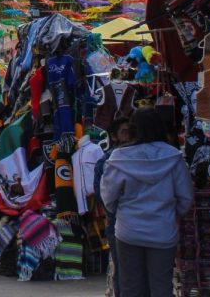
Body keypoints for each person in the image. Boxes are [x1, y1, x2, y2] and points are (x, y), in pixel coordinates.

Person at [101, 108, 193, 297]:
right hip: (163, 231)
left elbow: (108, 198)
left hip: (128, 231)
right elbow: (185, 199)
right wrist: (171, 214)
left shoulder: (119, 158)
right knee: (161, 286)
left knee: (131, 287)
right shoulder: (174, 157)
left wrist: (120, 212)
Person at [94, 117, 131, 297]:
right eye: (124, 131)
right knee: (122, 271)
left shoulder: (138, 156)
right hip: (118, 224)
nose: (129, 135)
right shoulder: (106, 161)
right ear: (114, 136)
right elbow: (101, 195)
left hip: (134, 224)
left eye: (130, 131)